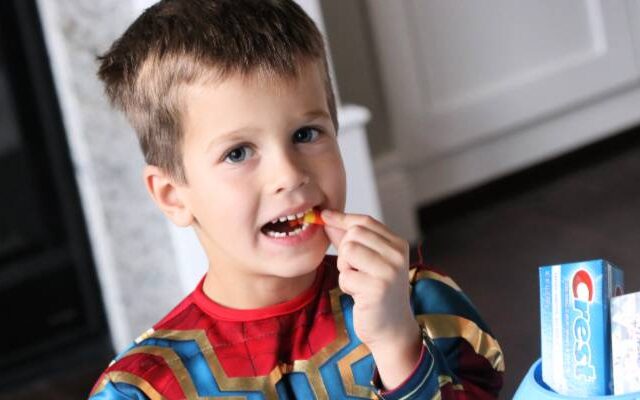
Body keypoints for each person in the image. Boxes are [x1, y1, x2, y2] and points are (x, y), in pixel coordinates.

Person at [88, 0, 504, 398]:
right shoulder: (143, 389)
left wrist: (397, 343)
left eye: (305, 134)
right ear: (173, 196)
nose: (288, 174)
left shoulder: (417, 302)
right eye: (238, 153)